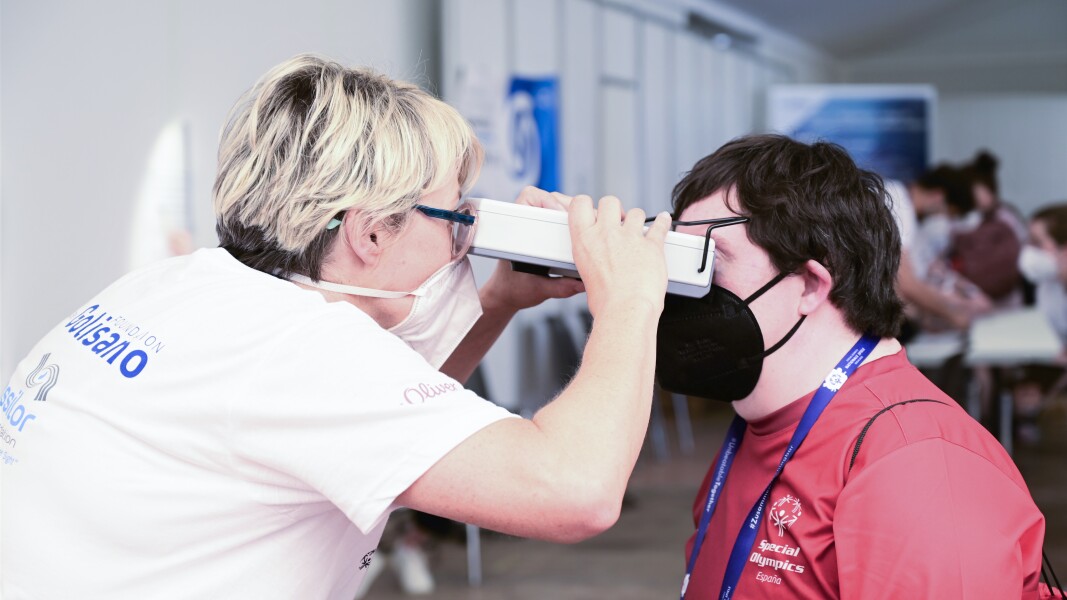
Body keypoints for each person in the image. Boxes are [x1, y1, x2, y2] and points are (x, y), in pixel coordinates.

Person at [1, 54, 673, 598]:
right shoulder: (299, 350)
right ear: (371, 232)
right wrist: (629, 300)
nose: (464, 242)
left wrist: (494, 304)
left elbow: (375, 440)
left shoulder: (176, 288)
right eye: (455, 217)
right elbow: (573, 492)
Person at [655, 135, 1046, 598]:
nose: (679, 288)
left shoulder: (916, 462)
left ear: (809, 284)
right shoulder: (759, 425)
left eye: (707, 263)